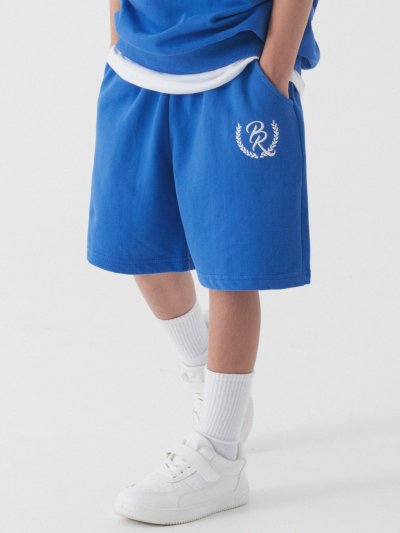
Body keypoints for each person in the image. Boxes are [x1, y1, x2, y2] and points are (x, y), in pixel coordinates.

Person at [87, 0, 319, 525]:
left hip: (236, 70)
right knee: (138, 246)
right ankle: (209, 376)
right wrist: (117, 38)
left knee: (231, 266)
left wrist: (272, 74)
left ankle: (219, 454)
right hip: (138, 66)